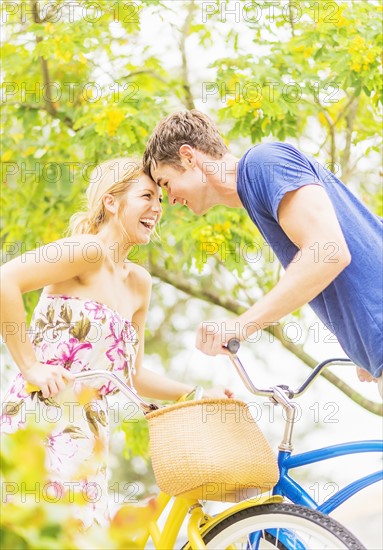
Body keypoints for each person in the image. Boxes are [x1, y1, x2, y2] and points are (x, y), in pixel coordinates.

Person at [0, 158, 232, 528]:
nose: (158, 208)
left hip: (91, 433)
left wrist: (198, 394)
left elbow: (134, 375)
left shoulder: (139, 283)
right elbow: (5, 281)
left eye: (160, 198)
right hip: (40, 419)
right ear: (111, 202)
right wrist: (30, 365)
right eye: (147, 196)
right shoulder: (85, 251)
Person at [143, 110, 383, 393]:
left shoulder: (264, 163)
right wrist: (364, 346)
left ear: (189, 157)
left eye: (166, 184)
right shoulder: (257, 191)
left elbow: (328, 252)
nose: (170, 200)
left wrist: (241, 325)